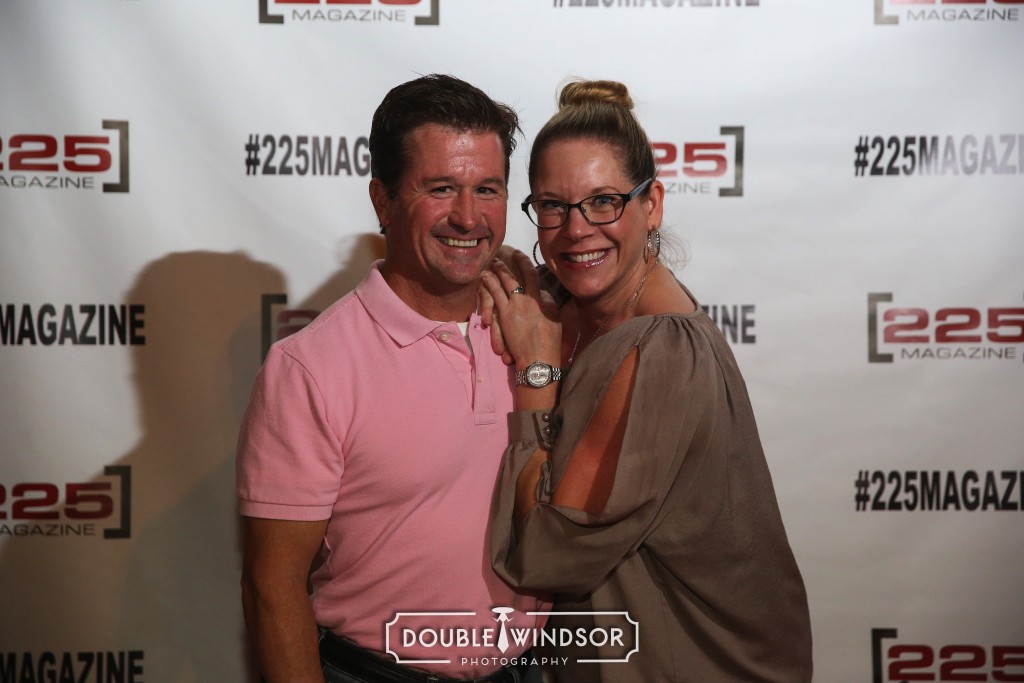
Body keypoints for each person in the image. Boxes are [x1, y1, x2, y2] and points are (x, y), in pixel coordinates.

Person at [481, 79, 813, 682]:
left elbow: (548, 554)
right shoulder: (573, 299)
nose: (576, 228)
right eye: (552, 206)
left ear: (652, 204)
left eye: (603, 201)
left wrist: (537, 373)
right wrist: (497, 269)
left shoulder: (661, 352)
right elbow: (519, 270)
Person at [237, 74, 547, 683]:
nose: (469, 217)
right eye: (441, 188)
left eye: (487, 189)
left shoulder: (536, 326)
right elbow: (272, 590)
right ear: (382, 200)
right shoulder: (310, 368)